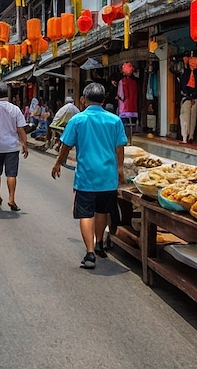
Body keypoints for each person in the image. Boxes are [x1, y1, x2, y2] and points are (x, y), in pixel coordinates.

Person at [52, 82, 127, 269]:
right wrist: (120, 169)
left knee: (86, 214)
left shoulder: (78, 120)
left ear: (83, 100)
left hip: (86, 177)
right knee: (102, 211)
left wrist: (58, 163)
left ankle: (90, 253)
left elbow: (66, 146)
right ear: (104, 100)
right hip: (108, 177)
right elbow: (120, 148)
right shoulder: (115, 120)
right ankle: (99, 243)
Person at [0, 82, 29, 211]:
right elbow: (21, 129)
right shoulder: (15, 109)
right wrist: (25, 144)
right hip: (12, 147)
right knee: (11, 174)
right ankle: (11, 198)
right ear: (7, 94)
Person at [179, 57, 197, 144]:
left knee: (185, 118)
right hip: (194, 97)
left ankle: (185, 138)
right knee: (192, 118)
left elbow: (184, 85)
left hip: (188, 97)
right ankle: (190, 136)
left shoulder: (188, 73)